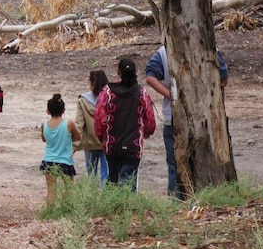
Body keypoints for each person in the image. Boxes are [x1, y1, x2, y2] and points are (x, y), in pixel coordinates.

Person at [145, 45, 229, 200]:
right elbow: (224, 78)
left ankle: (176, 202)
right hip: (204, 119)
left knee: (175, 165)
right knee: (204, 162)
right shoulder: (209, 47)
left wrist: (170, 95)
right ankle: (206, 198)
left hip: (174, 119)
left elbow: (150, 77)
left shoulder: (163, 51)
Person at [95, 58, 156, 192]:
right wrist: (146, 132)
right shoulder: (141, 93)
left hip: (112, 146)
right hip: (133, 147)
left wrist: (102, 137)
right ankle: (127, 210)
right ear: (136, 72)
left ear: (118, 73)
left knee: (113, 182)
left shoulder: (107, 92)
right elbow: (150, 120)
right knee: (128, 185)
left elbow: (99, 118)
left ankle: (113, 211)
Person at [40, 93, 81, 205]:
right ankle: (66, 210)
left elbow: (44, 139)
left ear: (48, 111)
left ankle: (50, 213)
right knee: (68, 189)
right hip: (64, 161)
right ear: (64, 110)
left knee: (51, 190)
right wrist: (67, 139)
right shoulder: (69, 123)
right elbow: (78, 137)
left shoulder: (44, 125)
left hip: (48, 160)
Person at [73, 70, 109, 185]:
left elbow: (79, 124)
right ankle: (104, 199)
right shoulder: (110, 98)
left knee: (91, 173)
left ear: (91, 83)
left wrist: (74, 145)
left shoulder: (83, 100)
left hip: (90, 143)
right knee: (106, 174)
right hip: (106, 142)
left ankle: (91, 198)